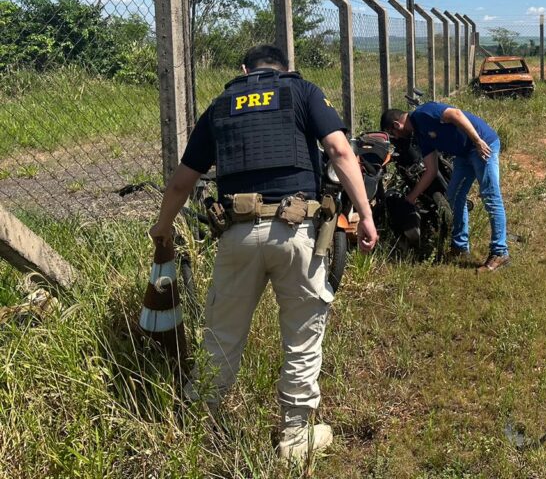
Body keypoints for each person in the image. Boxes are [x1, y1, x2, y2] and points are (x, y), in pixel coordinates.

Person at [149, 45, 378, 462]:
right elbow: (341, 152)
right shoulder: (302, 92)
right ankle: (294, 437)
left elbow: (182, 181)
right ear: (284, 69)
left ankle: (197, 426)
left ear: (244, 70)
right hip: (298, 233)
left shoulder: (221, 105)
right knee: (302, 336)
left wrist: (162, 229)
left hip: (237, 237)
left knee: (221, 336)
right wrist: (364, 214)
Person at [381, 102, 509, 272]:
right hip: (464, 154)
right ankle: (460, 247)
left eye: (393, 133)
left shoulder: (423, 113)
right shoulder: (420, 136)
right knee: (454, 196)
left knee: (490, 197)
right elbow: (431, 171)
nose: (396, 138)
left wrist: (477, 141)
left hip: (482, 145)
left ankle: (500, 252)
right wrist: (411, 198)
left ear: (397, 125)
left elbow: (455, 114)